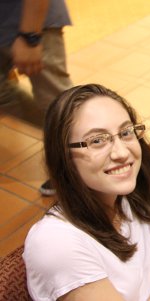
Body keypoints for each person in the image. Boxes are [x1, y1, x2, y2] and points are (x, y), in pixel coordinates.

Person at [23, 84, 150, 301]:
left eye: (126, 132)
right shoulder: (56, 243)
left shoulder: (130, 197)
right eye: (97, 141)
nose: (121, 152)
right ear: (64, 156)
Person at [0, 0, 73, 196]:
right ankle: (70, 136)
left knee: (54, 98)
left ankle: (76, 159)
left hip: (34, 20)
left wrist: (30, 36)